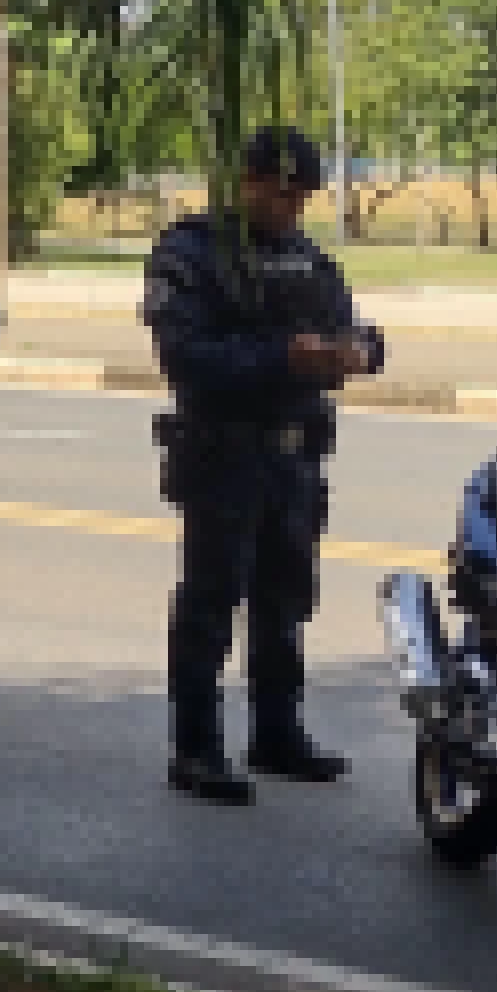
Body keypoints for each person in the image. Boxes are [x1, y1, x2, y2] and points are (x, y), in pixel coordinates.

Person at [142, 125, 379, 804]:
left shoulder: (306, 258)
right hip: (225, 450)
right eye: (280, 194)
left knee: (285, 602)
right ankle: (196, 747)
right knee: (212, 604)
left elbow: (354, 325)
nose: (290, 210)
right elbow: (186, 357)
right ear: (243, 181)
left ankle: (277, 731)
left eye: (301, 198)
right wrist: (283, 358)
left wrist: (356, 351)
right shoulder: (190, 254)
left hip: (295, 453)